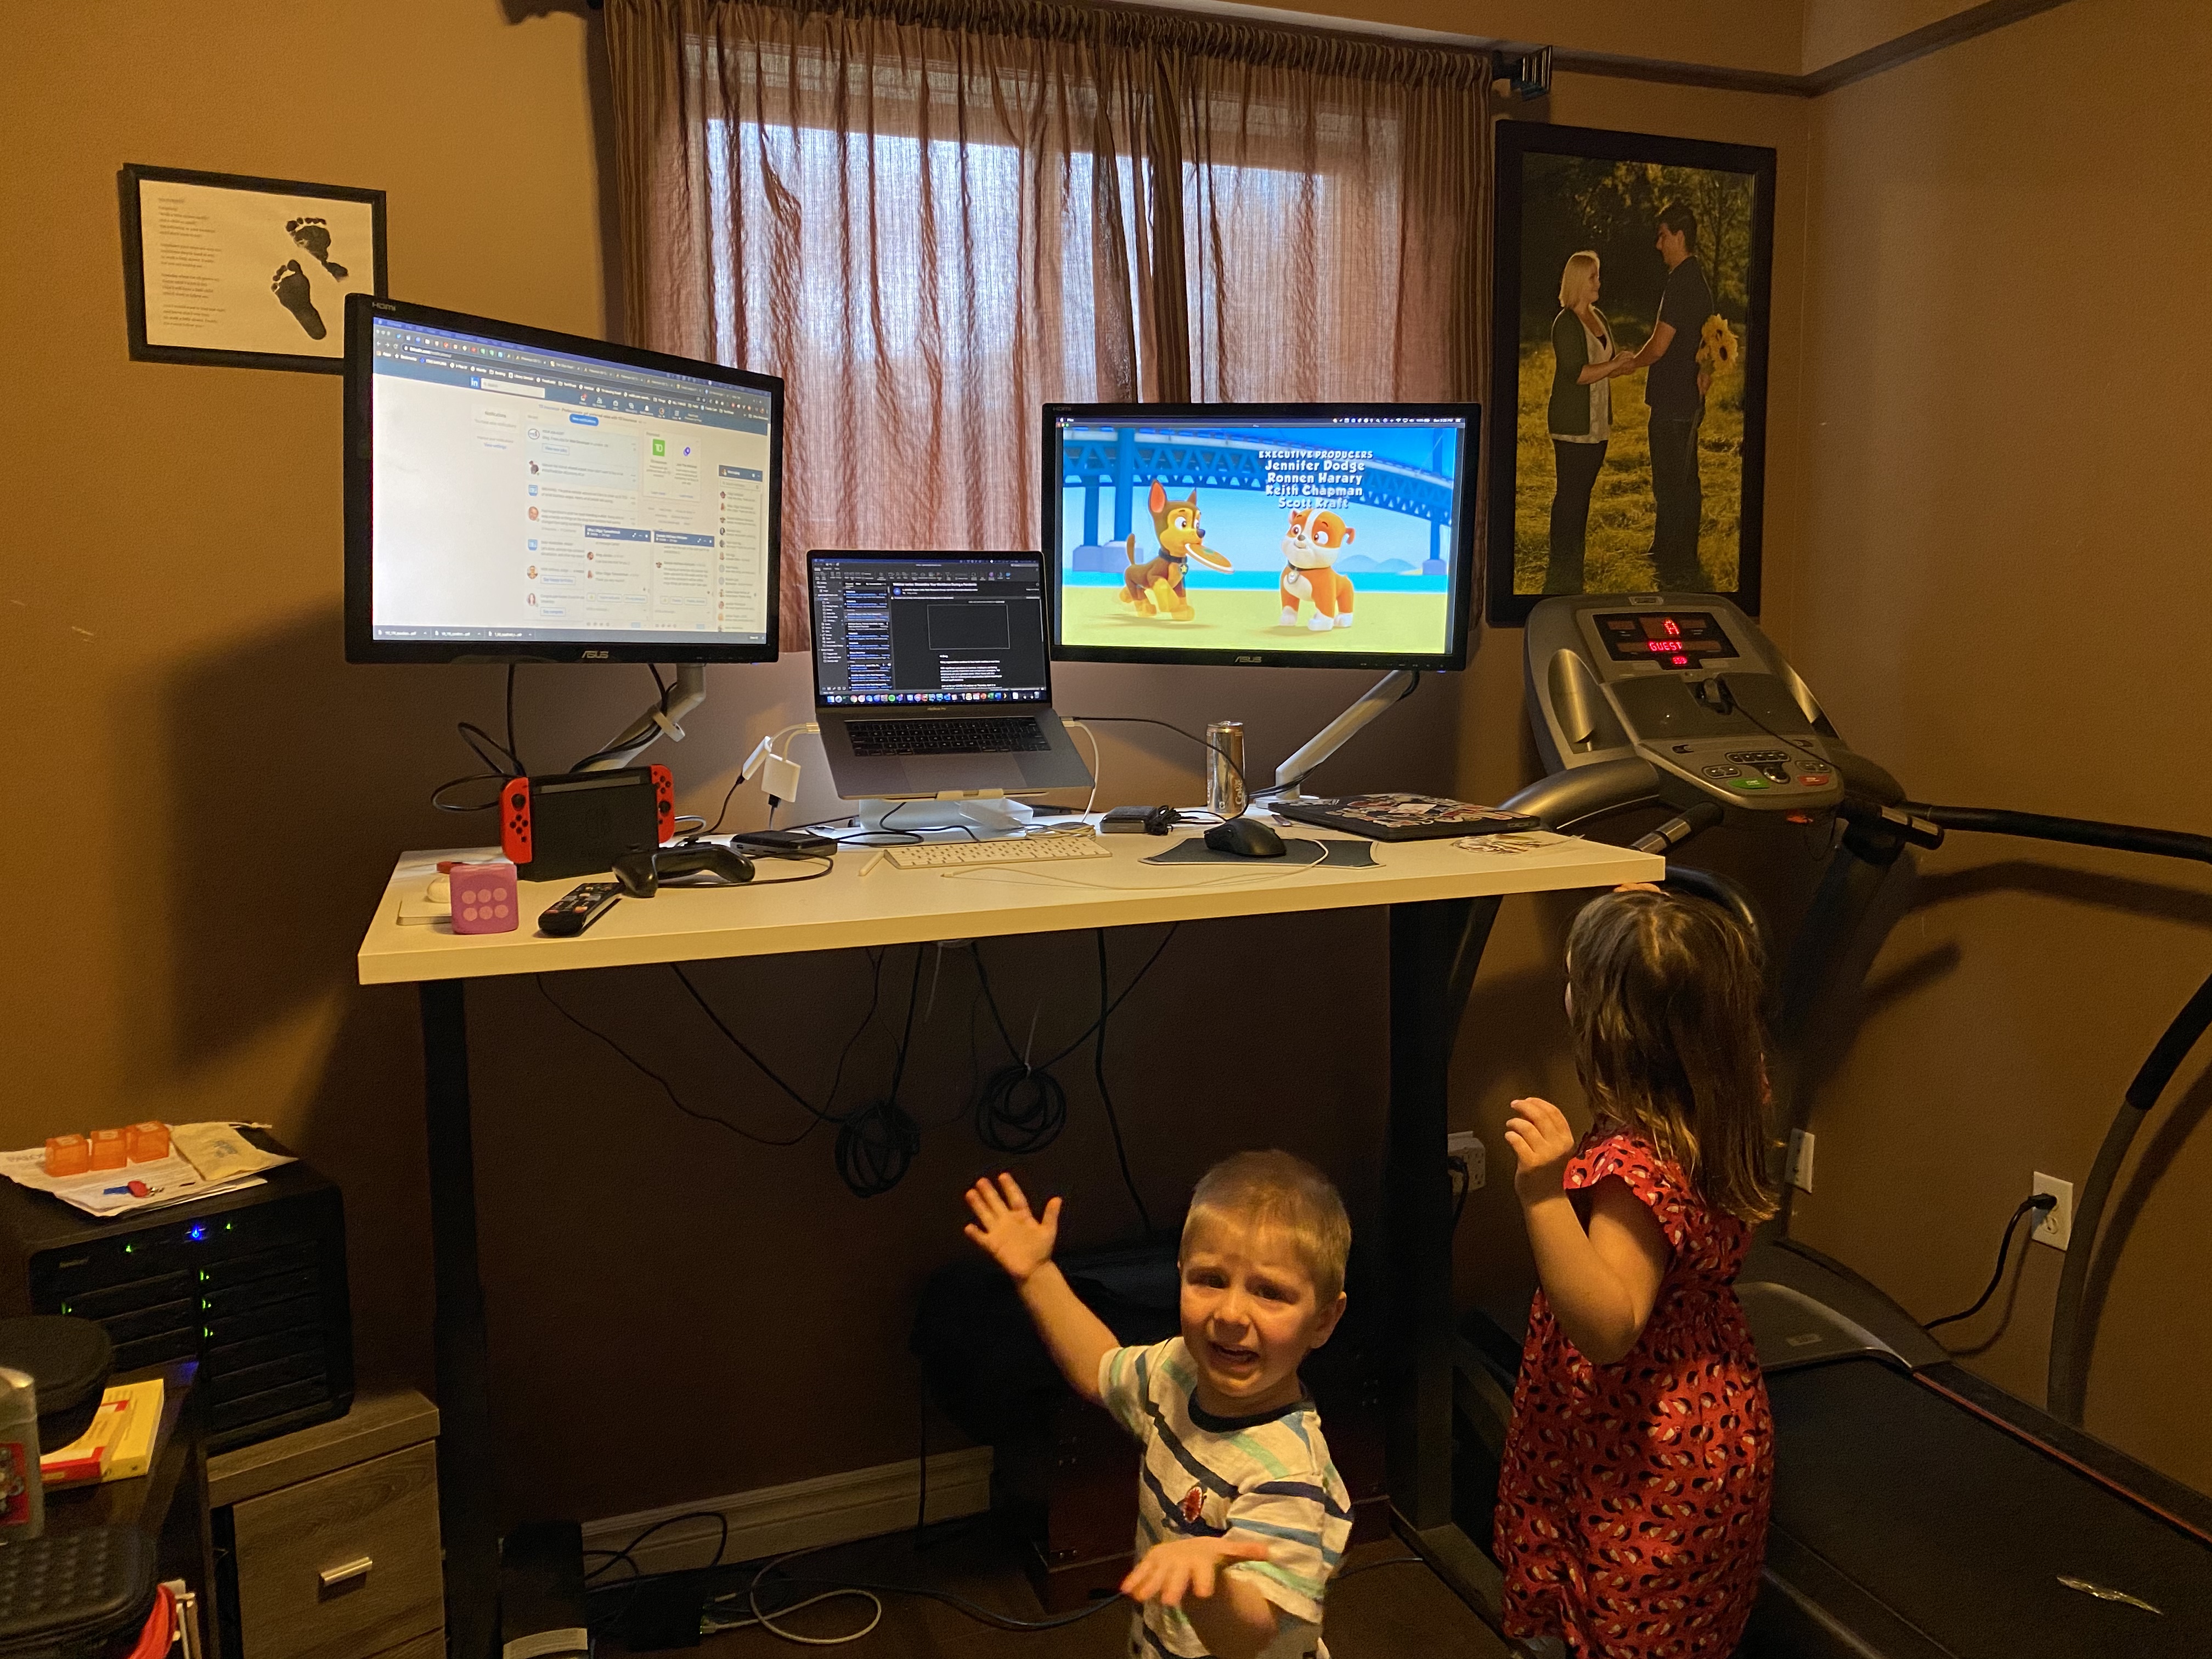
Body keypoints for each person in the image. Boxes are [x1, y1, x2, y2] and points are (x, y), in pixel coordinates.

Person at [1493, 887, 1777, 1658]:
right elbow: (1693, 1003)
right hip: (1714, 1416)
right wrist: (1650, 933)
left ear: (1605, 1031)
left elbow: (1610, 1327)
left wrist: (1543, 1194)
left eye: (1574, 982)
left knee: (1625, 1630)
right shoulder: (1728, 1098)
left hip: (1638, 1450)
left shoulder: (1631, 1170)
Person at [963, 1152, 1353, 1659]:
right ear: (1180, 1274)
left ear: (1323, 1321)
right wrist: (1036, 1273)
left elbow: (1248, 1637)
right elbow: (1100, 1368)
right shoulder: (1178, 1370)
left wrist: (1208, 1582)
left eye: (1270, 1293)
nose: (1231, 1313)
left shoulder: (1289, 1473)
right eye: (1210, 1280)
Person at [1614, 204, 1717, 591]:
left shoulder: (1680, 283)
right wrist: (1706, 372)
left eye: (1662, 236)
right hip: (1687, 397)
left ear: (1679, 236)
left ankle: (1673, 561)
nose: (1658, 245)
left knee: (1672, 482)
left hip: (1673, 399)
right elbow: (1710, 339)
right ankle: (1674, 554)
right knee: (1684, 479)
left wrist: (1630, 363)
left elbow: (1659, 345)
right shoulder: (1699, 280)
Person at [1544, 251, 1640, 594]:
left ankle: (1574, 563)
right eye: (1593, 277)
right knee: (1570, 495)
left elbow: (1605, 365)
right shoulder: (1565, 323)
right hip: (1572, 426)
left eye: (1598, 276)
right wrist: (1613, 366)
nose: (1599, 282)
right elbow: (1578, 374)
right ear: (1578, 281)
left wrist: (1624, 364)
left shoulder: (1599, 317)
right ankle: (1562, 565)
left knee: (1582, 495)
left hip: (1598, 426)